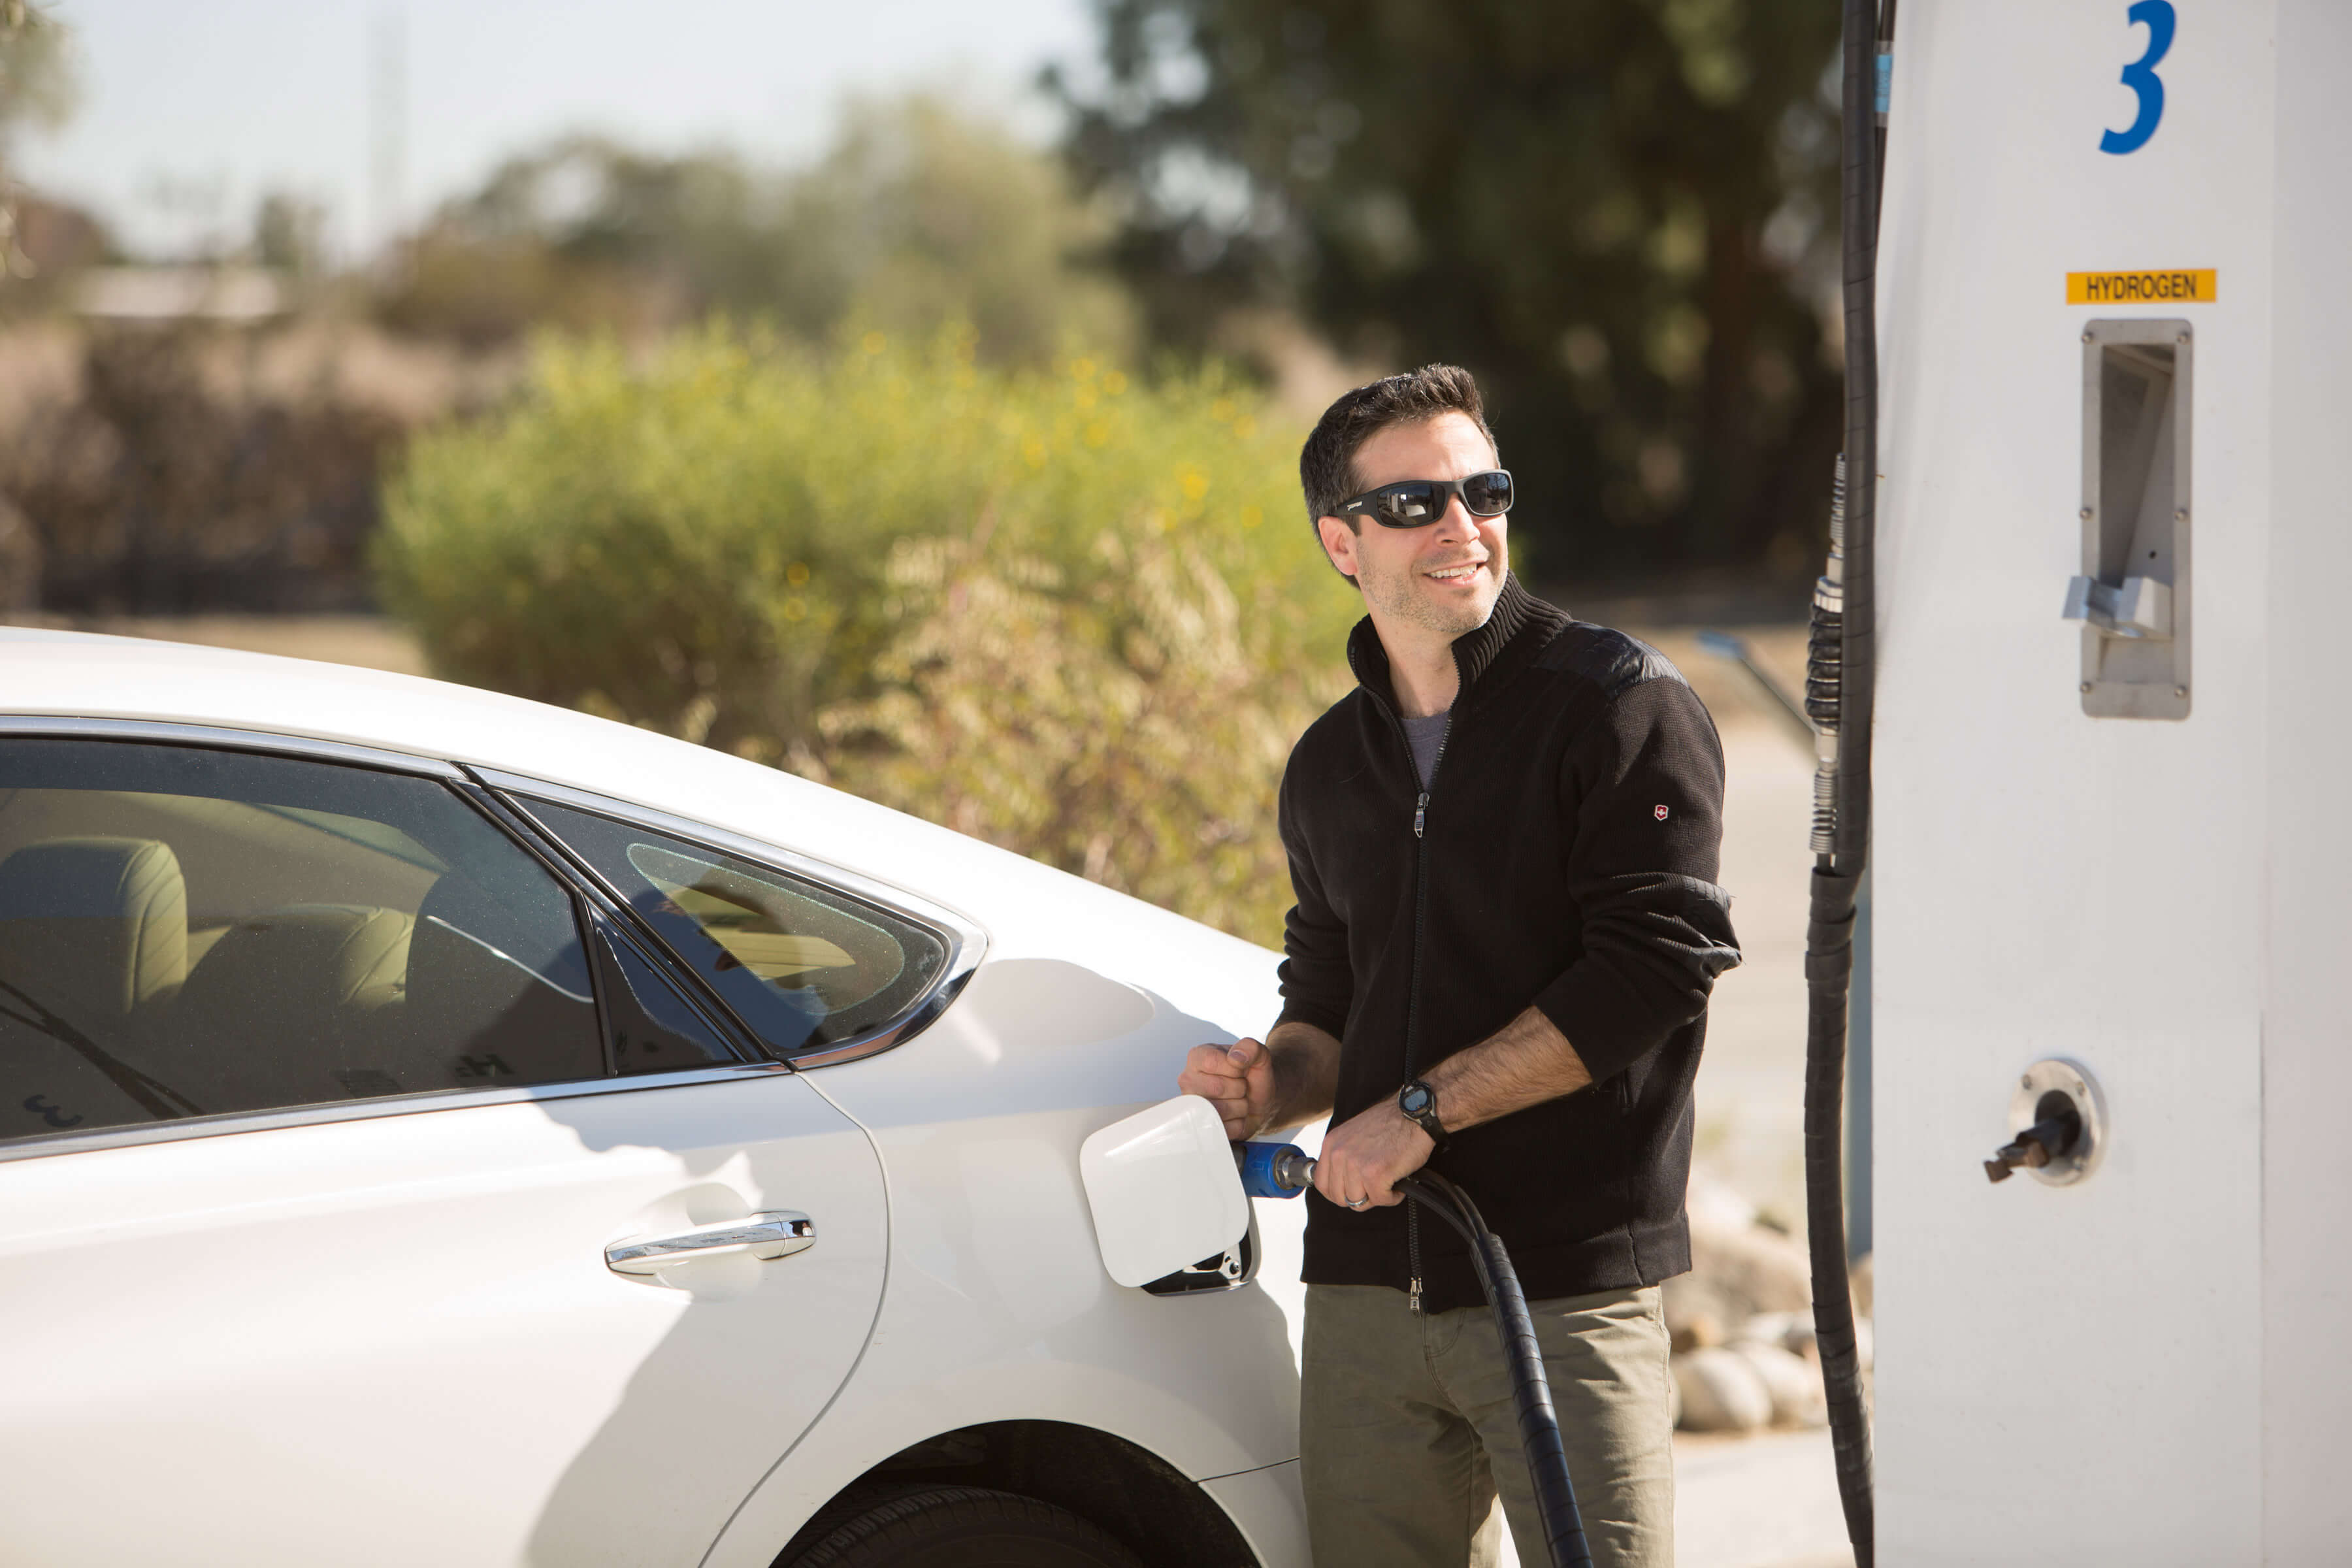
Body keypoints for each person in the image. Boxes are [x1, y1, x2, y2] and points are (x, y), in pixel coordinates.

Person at [1179, 365, 1740, 1567]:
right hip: (1370, 1291)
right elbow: (1329, 1002)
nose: (1461, 525)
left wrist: (1422, 1112)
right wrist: (1270, 1086)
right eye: (1414, 503)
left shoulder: (1622, 709)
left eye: (1482, 489)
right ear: (1342, 541)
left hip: (1566, 1284)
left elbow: (1655, 971)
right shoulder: (1329, 764)